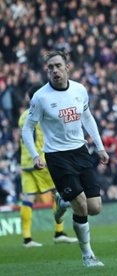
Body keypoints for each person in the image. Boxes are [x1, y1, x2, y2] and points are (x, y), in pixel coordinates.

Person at [22, 51, 109, 267]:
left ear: (67, 67)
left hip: (80, 151)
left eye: (58, 66)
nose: (54, 70)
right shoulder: (41, 97)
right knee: (80, 205)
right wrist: (35, 155)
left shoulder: (80, 90)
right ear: (47, 70)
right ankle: (88, 256)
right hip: (57, 156)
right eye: (50, 67)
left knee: (95, 207)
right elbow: (27, 129)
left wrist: (100, 147)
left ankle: (62, 201)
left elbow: (87, 118)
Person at [19, 84, 78, 248]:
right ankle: (59, 232)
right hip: (42, 161)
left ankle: (27, 238)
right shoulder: (41, 113)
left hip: (26, 163)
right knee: (59, 193)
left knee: (28, 200)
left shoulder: (22, 116)